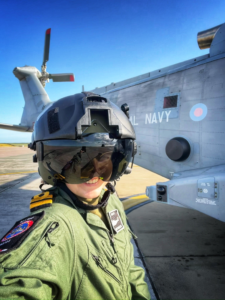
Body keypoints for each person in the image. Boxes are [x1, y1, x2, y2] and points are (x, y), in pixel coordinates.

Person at [0, 92, 150, 300]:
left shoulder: (110, 200)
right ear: (51, 164)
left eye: (104, 157)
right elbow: (17, 283)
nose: (95, 173)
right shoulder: (53, 226)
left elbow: (129, 269)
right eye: (77, 161)